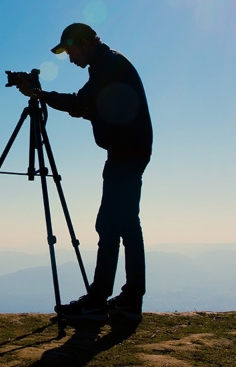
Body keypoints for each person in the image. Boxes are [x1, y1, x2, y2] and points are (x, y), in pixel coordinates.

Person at [16, 23, 153, 321]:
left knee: (111, 226)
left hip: (126, 154)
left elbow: (81, 102)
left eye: (71, 52)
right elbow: (93, 106)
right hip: (129, 152)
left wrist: (39, 94)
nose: (70, 59)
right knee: (124, 225)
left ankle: (100, 301)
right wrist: (75, 107)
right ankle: (127, 300)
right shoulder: (108, 64)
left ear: (85, 44)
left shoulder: (108, 66)